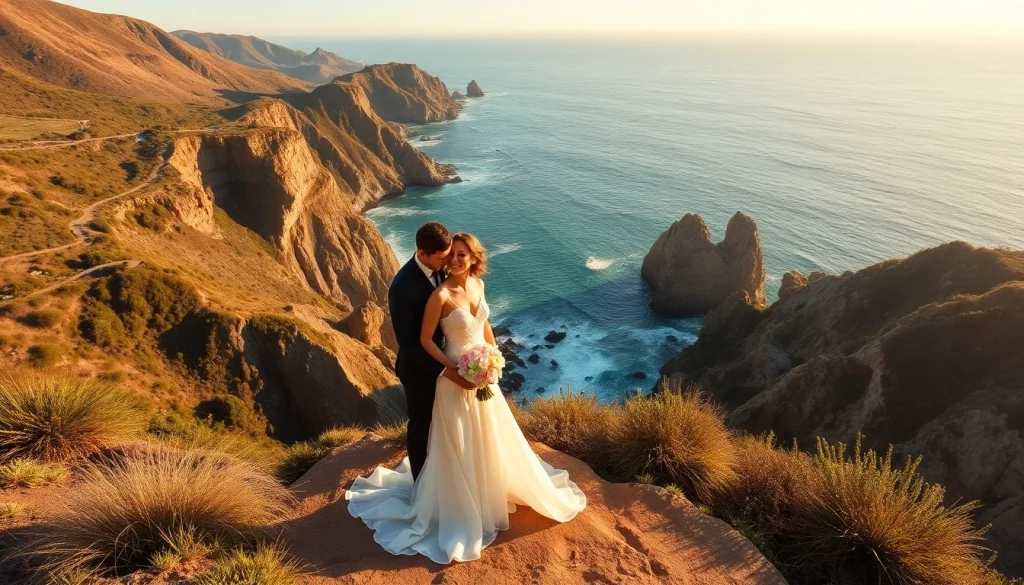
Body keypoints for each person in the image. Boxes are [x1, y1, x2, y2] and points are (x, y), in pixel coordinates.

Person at [346, 230, 586, 564]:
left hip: (480, 371)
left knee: (487, 432)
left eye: (461, 254)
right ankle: (437, 494)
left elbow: (484, 326)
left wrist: (494, 356)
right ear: (428, 253)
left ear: (473, 257)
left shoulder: (477, 285)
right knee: (438, 431)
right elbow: (421, 341)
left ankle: (486, 489)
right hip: (443, 372)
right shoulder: (431, 293)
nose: (453, 260)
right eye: (450, 255)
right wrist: (453, 371)